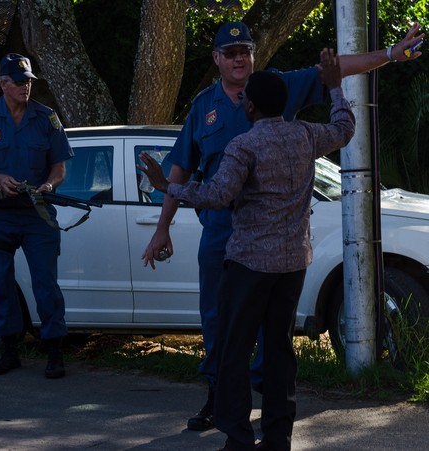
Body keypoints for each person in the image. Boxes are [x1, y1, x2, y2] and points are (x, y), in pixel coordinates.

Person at [141, 21, 424, 432]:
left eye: (246, 51)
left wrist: (389, 55)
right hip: (222, 233)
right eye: (231, 53)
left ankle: (257, 410)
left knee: (271, 333)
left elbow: (334, 67)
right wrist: (162, 226)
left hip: (270, 239)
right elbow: (184, 168)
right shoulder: (204, 107)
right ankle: (220, 399)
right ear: (217, 59)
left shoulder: (275, 87)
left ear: (254, 58)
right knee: (219, 322)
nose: (239, 59)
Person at [139, 49, 355, 451]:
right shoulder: (306, 135)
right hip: (292, 265)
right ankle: (277, 438)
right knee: (278, 350)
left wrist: (167, 187)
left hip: (249, 265)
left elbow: (218, 195)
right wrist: (336, 85)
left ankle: (238, 438)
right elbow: (344, 127)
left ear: (250, 106)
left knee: (234, 351)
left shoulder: (243, 146)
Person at [0, 53, 73, 379]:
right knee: (1, 284)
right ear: (3, 84)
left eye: (28, 81)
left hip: (37, 214)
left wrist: (49, 183)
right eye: (19, 82)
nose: (25, 87)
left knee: (45, 284)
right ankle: (9, 351)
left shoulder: (46, 118)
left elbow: (60, 166)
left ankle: (54, 352)